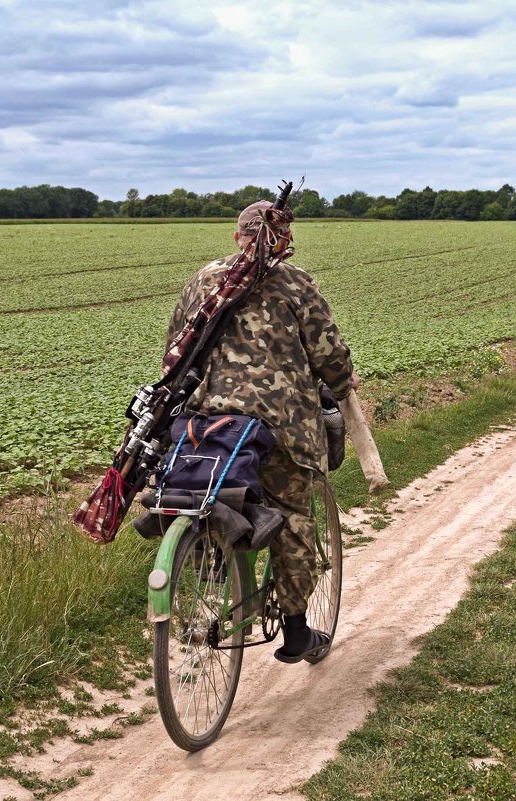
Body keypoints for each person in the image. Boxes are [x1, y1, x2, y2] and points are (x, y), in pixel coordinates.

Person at [165, 200, 359, 663]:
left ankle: (210, 562)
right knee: (292, 514)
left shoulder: (203, 280)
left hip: (206, 425)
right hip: (279, 427)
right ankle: (296, 631)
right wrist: (342, 382)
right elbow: (329, 354)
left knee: (207, 492)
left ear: (239, 237)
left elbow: (174, 348)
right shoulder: (294, 282)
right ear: (285, 239)